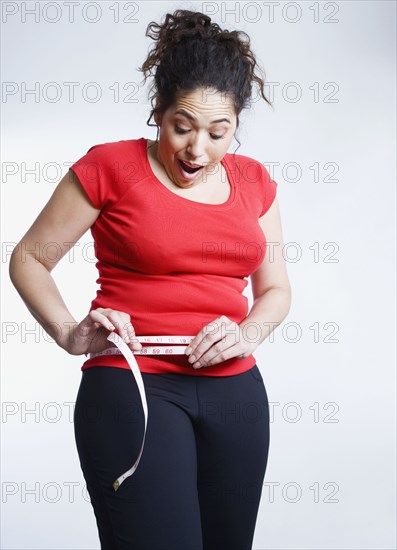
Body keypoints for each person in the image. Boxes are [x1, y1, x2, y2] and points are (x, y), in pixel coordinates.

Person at [9, 9, 291, 550]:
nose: (197, 150)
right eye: (182, 126)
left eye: (218, 132)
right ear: (157, 111)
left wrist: (249, 333)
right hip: (133, 386)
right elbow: (28, 257)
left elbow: (275, 289)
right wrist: (70, 333)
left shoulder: (255, 181)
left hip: (237, 395)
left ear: (236, 125)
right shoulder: (110, 167)